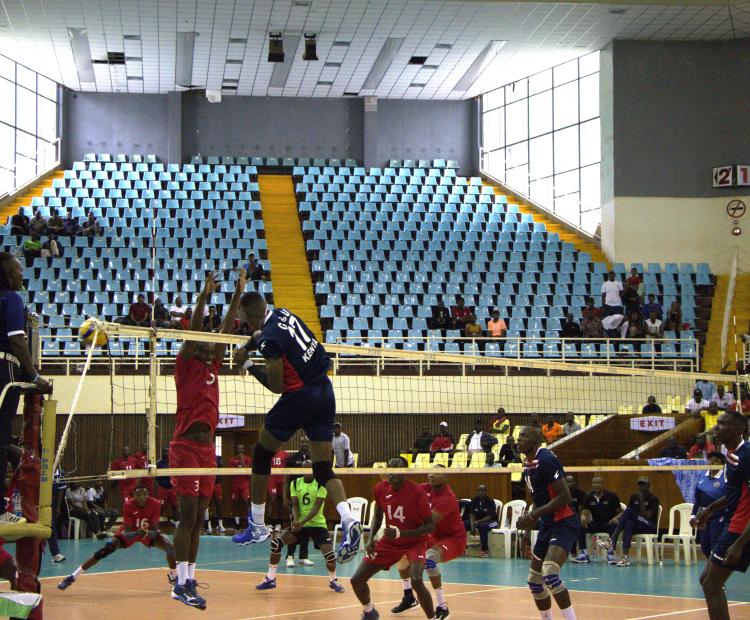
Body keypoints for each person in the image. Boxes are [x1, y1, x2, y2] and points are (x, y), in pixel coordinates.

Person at [230, 291, 361, 564]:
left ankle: (257, 524)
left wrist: (247, 363)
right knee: (323, 468)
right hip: (325, 389)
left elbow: (277, 386)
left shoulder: (269, 340)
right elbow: (266, 337)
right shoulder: (283, 313)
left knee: (261, 453)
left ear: (245, 315)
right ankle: (349, 521)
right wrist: (250, 344)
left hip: (300, 396)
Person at [169, 269, 246, 610]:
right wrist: (203, 295)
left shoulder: (214, 362)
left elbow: (226, 328)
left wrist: (238, 294)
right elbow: (199, 329)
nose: (207, 341)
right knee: (187, 517)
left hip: (207, 450)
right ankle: (180, 583)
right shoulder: (185, 362)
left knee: (200, 516)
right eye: (202, 339)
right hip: (185, 446)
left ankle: (190, 578)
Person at [350, 458, 436, 620]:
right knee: (356, 579)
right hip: (389, 543)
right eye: (390, 469)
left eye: (397, 470)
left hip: (415, 542)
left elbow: (430, 527)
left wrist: (401, 533)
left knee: (416, 580)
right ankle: (370, 612)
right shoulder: (380, 488)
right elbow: (377, 514)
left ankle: (433, 618)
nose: (391, 473)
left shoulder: (417, 492)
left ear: (405, 472)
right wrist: (370, 540)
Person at [0, 253, 49, 523]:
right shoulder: (12, 299)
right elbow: (17, 342)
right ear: (8, 274)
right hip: (4, 368)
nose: (22, 275)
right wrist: (34, 376)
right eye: (18, 271)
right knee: (1, 438)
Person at [57, 484, 177, 591]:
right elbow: (129, 531)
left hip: (147, 532)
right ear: (133, 495)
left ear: (148, 495)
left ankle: (173, 576)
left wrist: (151, 533)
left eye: (144, 494)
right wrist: (136, 534)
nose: (141, 497)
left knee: (170, 547)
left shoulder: (155, 503)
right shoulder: (128, 504)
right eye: (138, 494)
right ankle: (72, 577)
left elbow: (155, 528)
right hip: (130, 533)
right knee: (104, 551)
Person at [517, 425, 579, 620]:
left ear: (536, 440)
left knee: (550, 574)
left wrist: (532, 516)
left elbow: (565, 497)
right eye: (518, 436)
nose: (518, 440)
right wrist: (528, 530)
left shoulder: (546, 459)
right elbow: (538, 499)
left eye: (523, 436)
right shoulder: (528, 464)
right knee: (534, 581)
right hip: (547, 524)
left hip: (564, 522)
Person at [255, 458, 345, 593]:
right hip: (300, 525)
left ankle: (333, 581)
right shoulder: (295, 484)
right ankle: (270, 579)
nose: (307, 472)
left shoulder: (321, 484)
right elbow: (295, 505)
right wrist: (296, 521)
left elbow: (316, 506)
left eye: (310, 469)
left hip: (317, 525)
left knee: (330, 556)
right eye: (304, 470)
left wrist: (301, 522)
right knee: (276, 544)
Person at [695, 411, 750, 619]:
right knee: (708, 582)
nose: (715, 428)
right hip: (733, 524)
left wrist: (740, 543)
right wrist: (709, 510)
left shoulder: (746, 455)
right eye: (716, 423)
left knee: (710, 584)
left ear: (737, 429)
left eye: (722, 424)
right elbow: (734, 493)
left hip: (740, 529)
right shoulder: (730, 453)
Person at [393, 467, 466, 619]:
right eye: (430, 472)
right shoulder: (424, 488)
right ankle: (409, 597)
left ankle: (442, 606)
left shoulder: (448, 498)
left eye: (437, 473)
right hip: (432, 536)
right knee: (401, 552)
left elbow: (428, 522)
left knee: (430, 559)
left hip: (453, 539)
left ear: (446, 477)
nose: (431, 475)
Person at [599, 477, 660, 567]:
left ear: (648, 485)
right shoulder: (634, 497)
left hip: (648, 525)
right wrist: (618, 518)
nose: (641, 487)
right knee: (628, 524)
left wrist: (642, 501)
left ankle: (611, 541)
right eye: (640, 485)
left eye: (644, 484)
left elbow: (647, 517)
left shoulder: (654, 498)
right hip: (637, 525)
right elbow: (627, 515)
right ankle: (625, 558)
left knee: (629, 511)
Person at [571, 476, 622, 564]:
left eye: (599, 483)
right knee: (580, 525)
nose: (596, 485)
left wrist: (616, 518)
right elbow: (584, 512)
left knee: (615, 525)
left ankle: (610, 553)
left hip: (609, 523)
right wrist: (583, 517)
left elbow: (621, 512)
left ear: (603, 484)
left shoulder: (612, 496)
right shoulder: (588, 496)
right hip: (596, 524)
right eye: (594, 483)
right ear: (592, 484)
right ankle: (584, 554)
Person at [690, 452, 726, 559]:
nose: (712, 462)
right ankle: (711, 567)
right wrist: (693, 515)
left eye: (715, 460)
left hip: (718, 515)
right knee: (705, 547)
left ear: (722, 463)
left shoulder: (725, 477)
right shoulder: (702, 476)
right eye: (710, 460)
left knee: (715, 545)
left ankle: (714, 570)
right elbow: (697, 500)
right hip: (703, 516)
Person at [463, 484, 498, 558]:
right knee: (464, 524)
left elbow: (490, 516)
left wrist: (478, 522)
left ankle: (484, 550)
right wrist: (472, 526)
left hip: (493, 522)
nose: (480, 492)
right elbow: (472, 514)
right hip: (478, 522)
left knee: (482, 526)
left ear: (486, 492)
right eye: (479, 490)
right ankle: (462, 547)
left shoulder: (490, 501)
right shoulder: (474, 500)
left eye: (482, 490)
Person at [229, 444, 251, 531]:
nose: (240, 450)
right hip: (235, 484)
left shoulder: (248, 459)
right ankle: (237, 523)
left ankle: (249, 523)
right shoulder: (232, 459)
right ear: (236, 449)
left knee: (246, 503)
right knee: (235, 503)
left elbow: (248, 472)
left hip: (245, 484)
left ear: (244, 450)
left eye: (241, 448)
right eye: (238, 448)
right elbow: (231, 474)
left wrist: (242, 462)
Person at [155, 449, 178, 523]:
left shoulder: (174, 462)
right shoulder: (159, 463)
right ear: (162, 453)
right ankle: (157, 523)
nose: (167, 453)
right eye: (165, 452)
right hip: (163, 488)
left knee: (175, 506)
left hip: (173, 488)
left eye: (168, 452)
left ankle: (177, 523)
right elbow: (156, 476)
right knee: (160, 506)